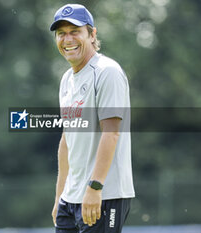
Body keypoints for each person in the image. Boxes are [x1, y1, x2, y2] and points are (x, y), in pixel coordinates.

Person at [50, 4, 135, 233]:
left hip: (103, 195)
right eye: (61, 33)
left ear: (92, 34)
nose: (67, 39)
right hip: (71, 199)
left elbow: (112, 133)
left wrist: (95, 188)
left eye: (75, 31)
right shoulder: (66, 79)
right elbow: (67, 141)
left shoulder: (107, 72)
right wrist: (60, 196)